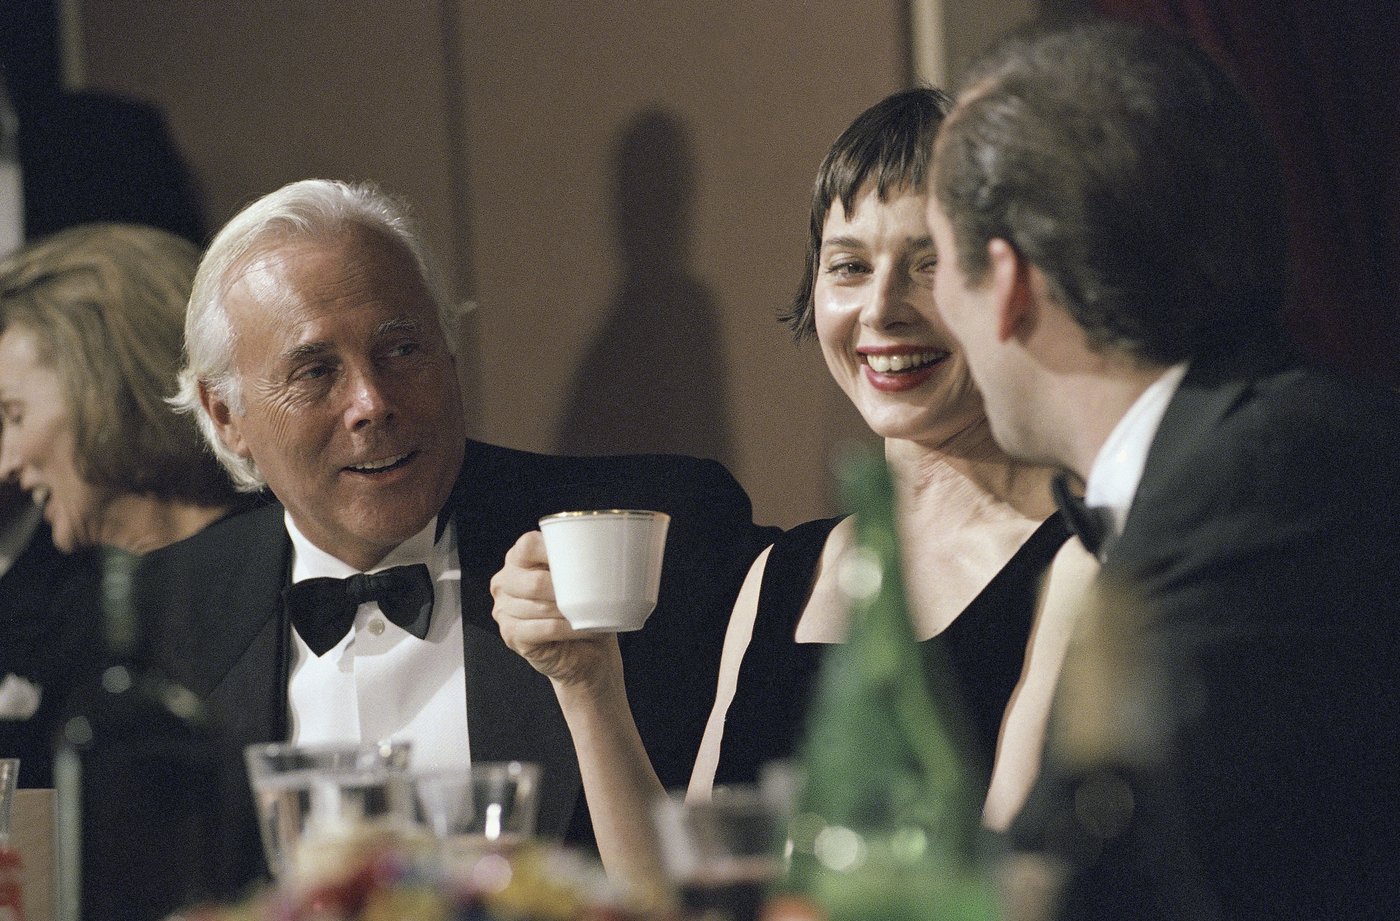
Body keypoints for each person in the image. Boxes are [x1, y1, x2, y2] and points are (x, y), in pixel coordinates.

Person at [492, 88, 1086, 887]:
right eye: (849, 266)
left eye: (929, 265)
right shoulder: (780, 573)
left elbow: (999, 892)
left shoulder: (1081, 562)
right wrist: (588, 681)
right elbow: (675, 896)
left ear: (1010, 286)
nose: (881, 308)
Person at [133, 178, 776, 896]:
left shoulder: (649, 537)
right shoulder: (162, 613)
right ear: (227, 418)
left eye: (401, 349)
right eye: (316, 371)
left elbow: (738, 878)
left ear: (449, 356)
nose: (372, 403)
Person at [927, 17, 1400, 920]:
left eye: (938, 264)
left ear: (1009, 282)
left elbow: (1112, 883)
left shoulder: (1259, 489)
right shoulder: (1253, 450)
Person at [0, 223, 244, 787]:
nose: (7, 462)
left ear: (110, 391)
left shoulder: (296, 573)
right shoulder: (50, 615)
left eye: (15, 416)